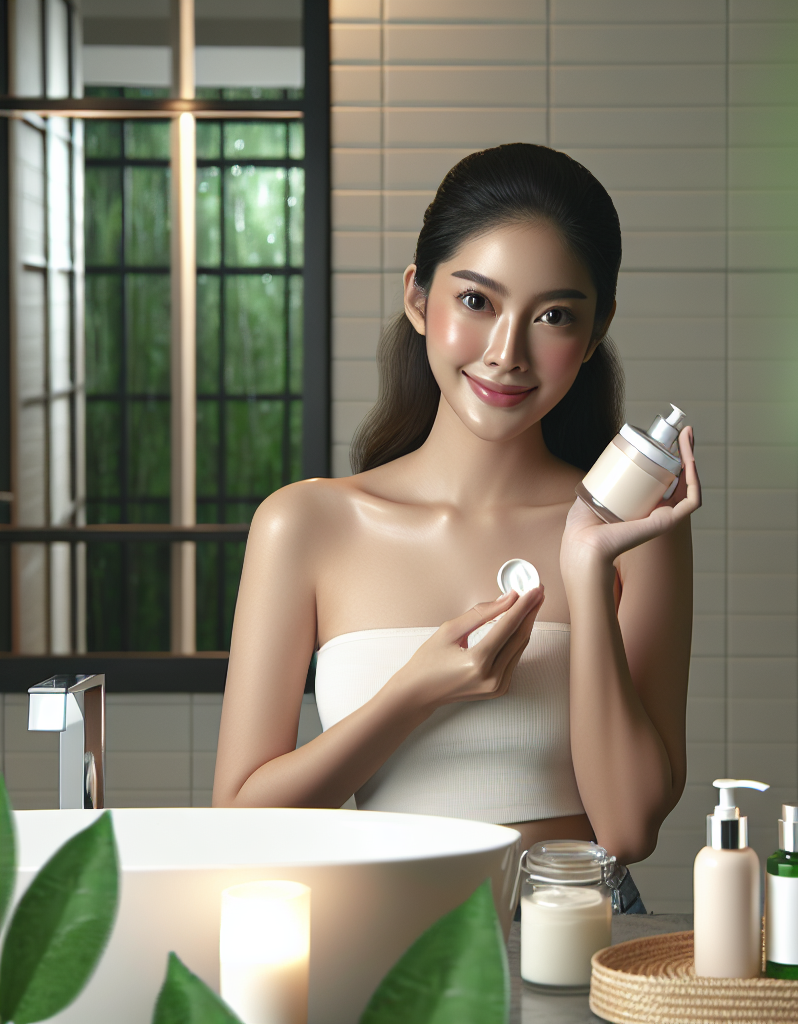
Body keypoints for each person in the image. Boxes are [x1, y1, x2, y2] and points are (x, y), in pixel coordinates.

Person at [212, 144, 700, 913]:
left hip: (578, 934)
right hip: (385, 939)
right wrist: (412, 695)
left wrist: (584, 562)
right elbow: (241, 823)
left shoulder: (634, 527)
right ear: (418, 298)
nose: (506, 354)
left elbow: (629, 827)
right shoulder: (304, 524)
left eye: (553, 316)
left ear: (596, 327)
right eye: (477, 301)